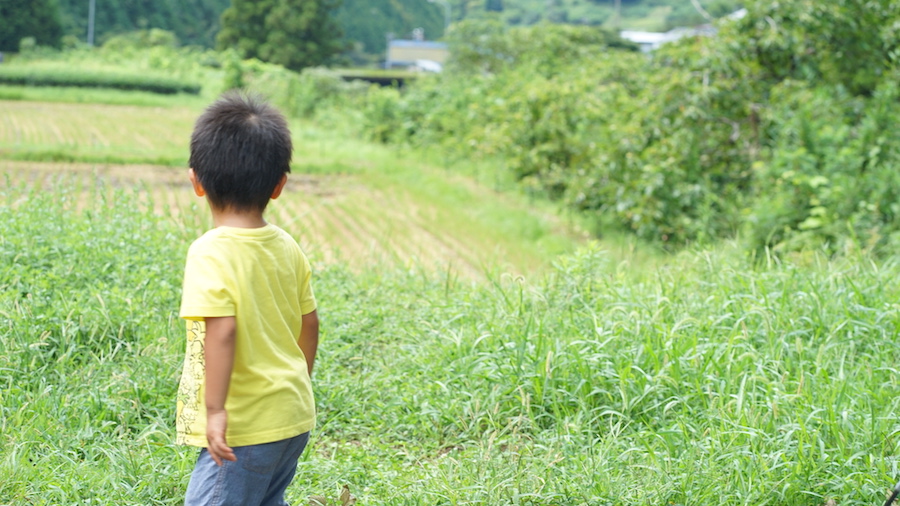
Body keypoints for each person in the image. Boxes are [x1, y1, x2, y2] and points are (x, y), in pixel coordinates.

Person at [176, 92, 320, 506]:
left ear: (196, 181)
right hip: (291, 415)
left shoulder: (210, 251)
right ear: (279, 186)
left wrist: (216, 411)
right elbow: (308, 324)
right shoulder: (287, 245)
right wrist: (293, 383)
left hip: (246, 426)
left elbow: (222, 330)